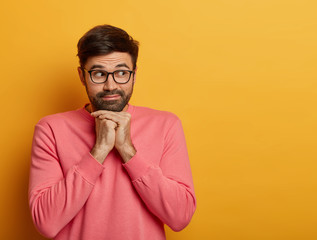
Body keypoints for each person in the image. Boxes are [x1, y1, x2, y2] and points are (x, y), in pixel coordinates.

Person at [28, 25, 196, 240]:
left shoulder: (166, 125)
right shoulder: (50, 129)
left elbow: (180, 217)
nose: (110, 85)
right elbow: (46, 223)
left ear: (134, 74)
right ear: (82, 75)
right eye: (98, 73)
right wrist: (98, 151)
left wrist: (128, 150)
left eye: (121, 73)